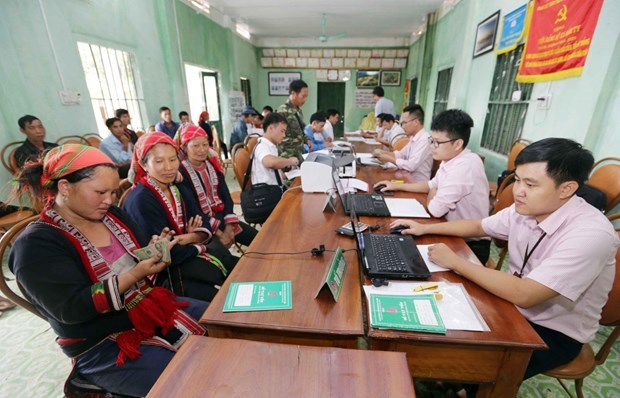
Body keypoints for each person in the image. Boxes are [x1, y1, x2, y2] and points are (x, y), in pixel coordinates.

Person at [391, 138, 619, 394]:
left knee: (471, 364)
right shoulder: (530, 206)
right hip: (512, 307)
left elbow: (525, 294)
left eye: (530, 184)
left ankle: (466, 388)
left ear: (566, 189)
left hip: (555, 330)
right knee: (437, 325)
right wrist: (424, 228)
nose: (518, 190)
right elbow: (479, 226)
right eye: (518, 179)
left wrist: (454, 262)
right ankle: (449, 380)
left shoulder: (590, 233)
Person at [9, 144, 208, 396]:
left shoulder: (112, 215)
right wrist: (136, 274)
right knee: (191, 379)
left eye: (113, 192)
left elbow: (133, 259)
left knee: (220, 322)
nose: (109, 200)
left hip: (146, 306)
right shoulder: (35, 246)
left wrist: (153, 250)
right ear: (64, 187)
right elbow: (73, 308)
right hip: (100, 342)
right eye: (100, 191)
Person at [122, 132, 232, 302]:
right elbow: (164, 253)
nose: (169, 167)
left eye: (173, 160)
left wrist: (191, 236)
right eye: (159, 161)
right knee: (223, 298)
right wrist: (195, 242)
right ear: (144, 165)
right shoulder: (141, 201)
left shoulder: (177, 188)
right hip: (166, 273)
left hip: (186, 257)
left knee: (237, 268)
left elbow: (202, 219)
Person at [375, 109, 490, 264]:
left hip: (469, 245)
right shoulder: (451, 159)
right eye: (432, 141)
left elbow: (435, 209)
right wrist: (397, 187)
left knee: (405, 260)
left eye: (438, 142)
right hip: (449, 230)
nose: (432, 147)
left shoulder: (466, 166)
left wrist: (434, 190)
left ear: (458, 144)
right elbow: (430, 185)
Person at [175, 124, 258, 268]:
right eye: (195, 146)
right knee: (227, 262)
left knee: (259, 240)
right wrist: (221, 234)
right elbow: (193, 210)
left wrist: (230, 227)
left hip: (224, 220)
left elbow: (226, 197)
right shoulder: (181, 174)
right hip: (204, 226)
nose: (201, 150)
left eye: (205, 144)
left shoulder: (212, 165)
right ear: (184, 147)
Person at [374, 105, 432, 182]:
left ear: (416, 122)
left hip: (417, 185)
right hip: (406, 179)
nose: (403, 127)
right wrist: (384, 153)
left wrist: (389, 159)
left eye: (405, 123)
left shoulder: (424, 140)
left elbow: (411, 165)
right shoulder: (413, 138)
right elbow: (401, 154)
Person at [252, 113, 298, 186]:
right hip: (266, 193)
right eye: (282, 131)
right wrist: (290, 161)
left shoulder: (271, 146)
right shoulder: (262, 146)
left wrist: (287, 175)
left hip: (273, 189)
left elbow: (272, 175)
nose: (284, 135)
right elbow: (270, 162)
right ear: (270, 128)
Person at [277, 79, 313, 164]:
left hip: (298, 155)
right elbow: (279, 137)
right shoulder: (283, 111)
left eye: (306, 96)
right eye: (303, 96)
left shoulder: (298, 111)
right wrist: (298, 142)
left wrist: (307, 139)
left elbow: (300, 131)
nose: (305, 99)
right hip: (287, 156)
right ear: (293, 93)